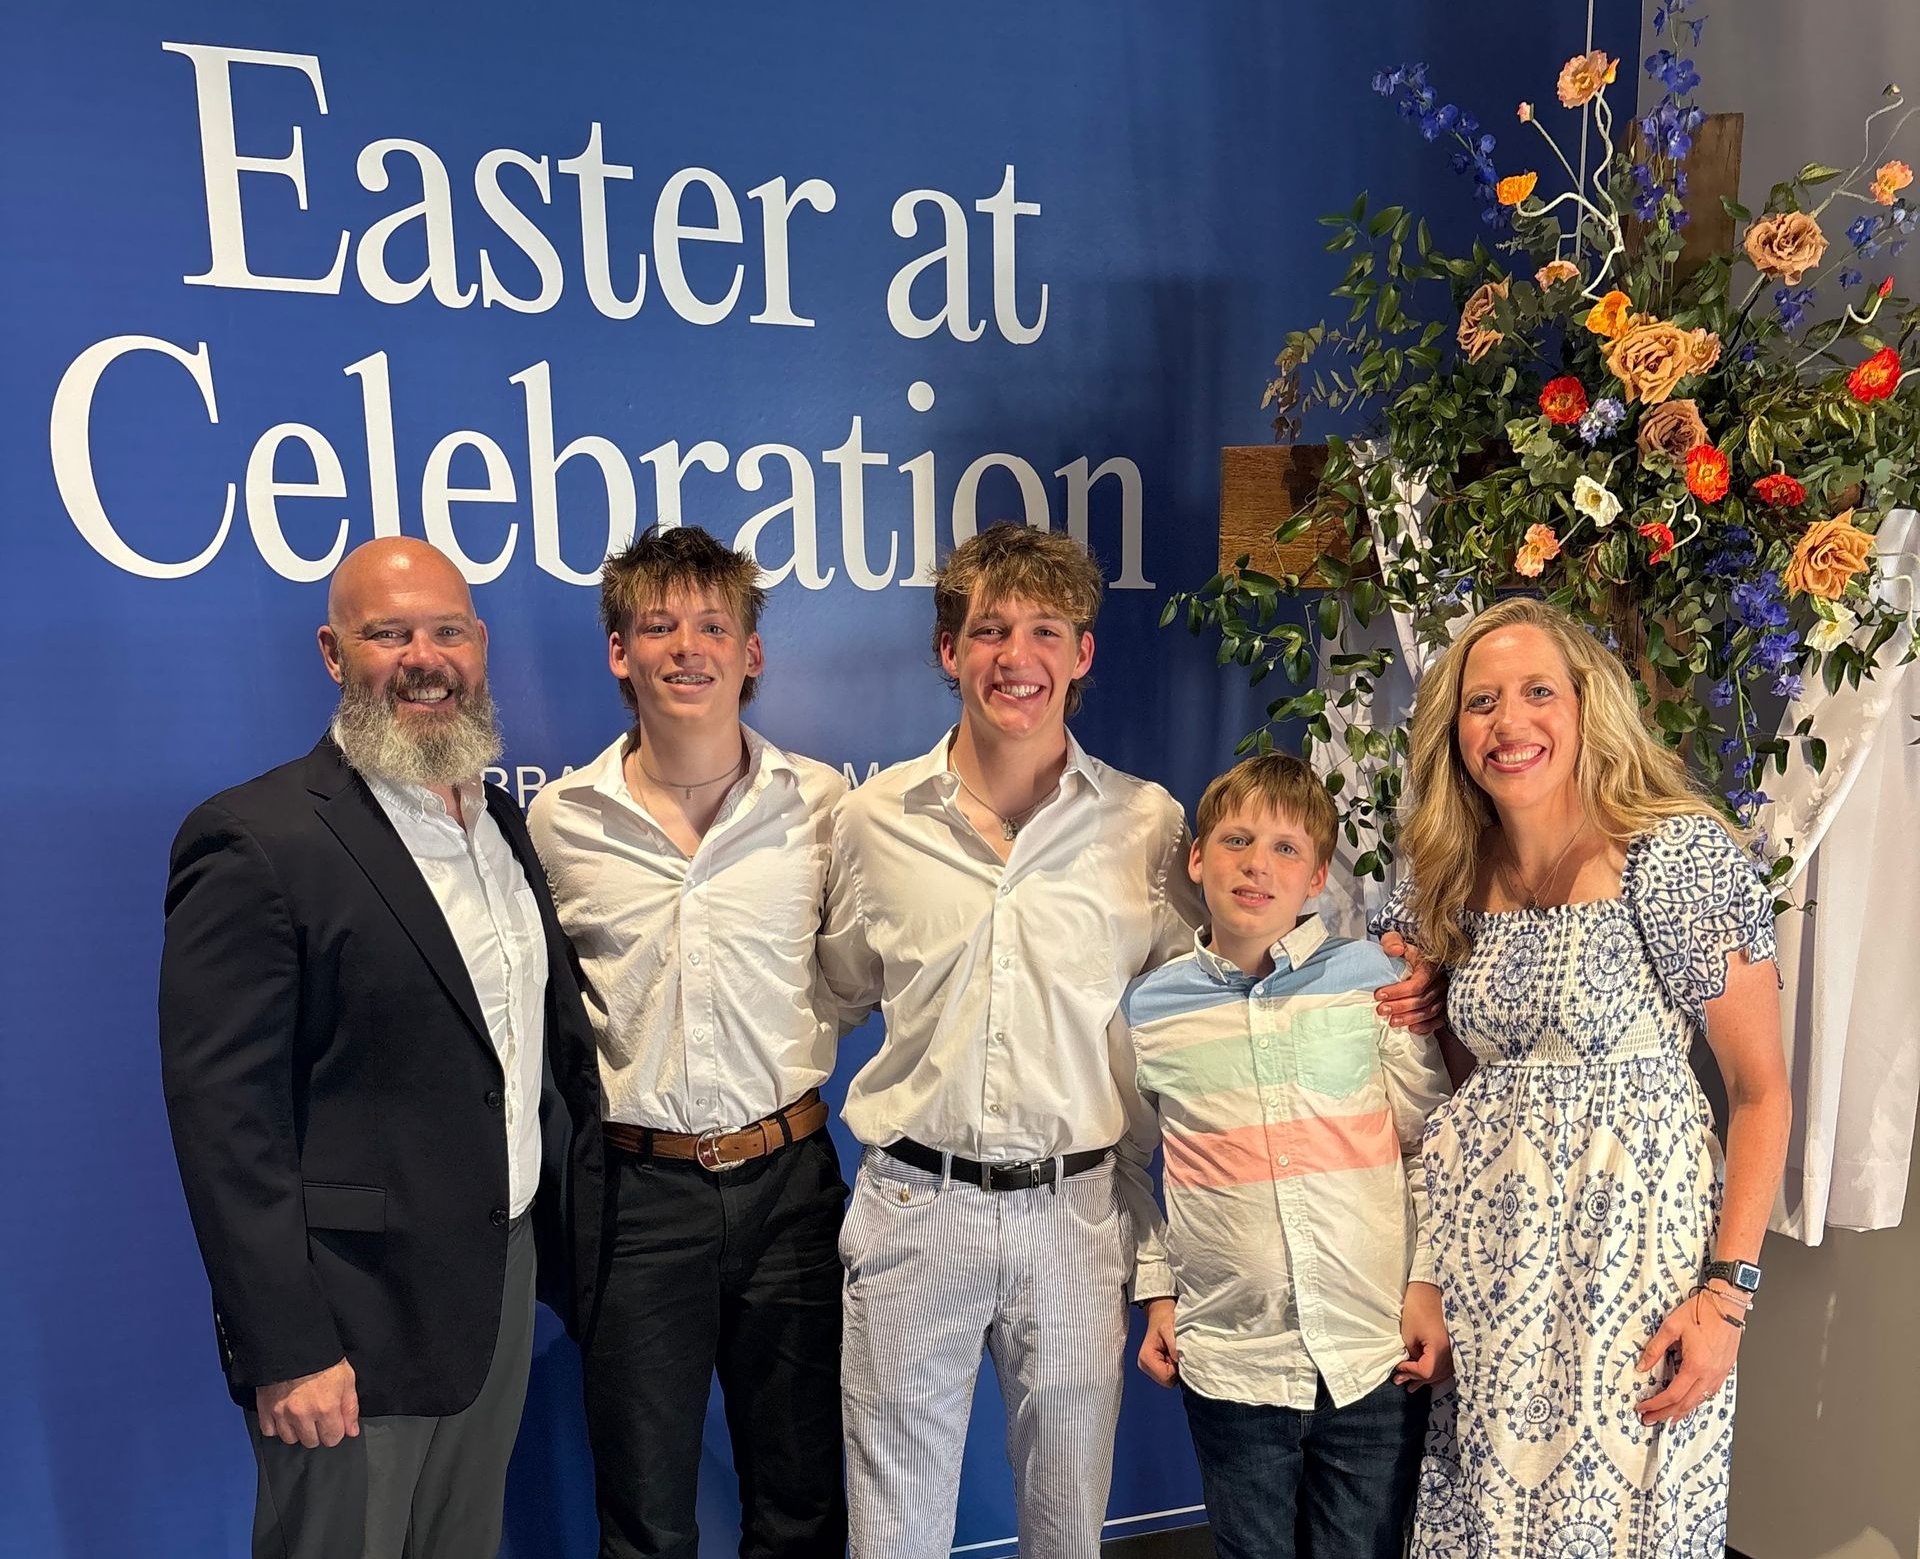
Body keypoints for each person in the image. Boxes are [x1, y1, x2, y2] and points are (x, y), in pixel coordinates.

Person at [818, 523, 1445, 1559]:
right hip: (913, 1208)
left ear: (1083, 655)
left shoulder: (1144, 824)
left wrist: (1375, 972)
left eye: (1045, 630)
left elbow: (1223, 976)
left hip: (1076, 1212)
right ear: (948, 650)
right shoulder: (873, 818)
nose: (1016, 657)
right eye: (989, 631)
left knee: (1069, 1520)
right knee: (893, 1524)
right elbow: (837, 984)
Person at [158, 537, 605, 1559]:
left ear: (480, 645)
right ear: (332, 651)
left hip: (491, 1288)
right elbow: (227, 1122)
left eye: (447, 630)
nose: (423, 656)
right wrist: (289, 1345)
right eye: (386, 632)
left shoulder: (498, 818)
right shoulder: (259, 839)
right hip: (348, 1329)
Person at [1371, 597, 1791, 1557]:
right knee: (1483, 1521)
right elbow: (1460, 1086)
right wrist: (1425, 1276)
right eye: (1481, 703)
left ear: (1586, 704)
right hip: (1490, 1258)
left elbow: (1763, 1090)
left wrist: (1725, 1299)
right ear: (1453, 730)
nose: (1508, 724)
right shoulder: (1440, 872)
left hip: (1632, 1267)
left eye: (1535, 693)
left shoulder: (1673, 852)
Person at [528, 525, 849, 1559]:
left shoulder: (822, 805)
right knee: (646, 1513)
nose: (687, 647)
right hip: (637, 1200)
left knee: (800, 1500)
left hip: (791, 1183)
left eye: (714, 623)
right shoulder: (559, 820)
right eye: (657, 624)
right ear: (619, 651)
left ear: (752, 651)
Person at [1124, 751, 1453, 1559]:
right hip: (1232, 1357)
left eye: (1285, 849)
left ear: (1315, 880)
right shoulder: (1150, 1010)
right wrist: (1158, 1293)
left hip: (1371, 1350)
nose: (1256, 865)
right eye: (1236, 841)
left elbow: (1432, 1147)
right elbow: (1131, 1164)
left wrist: (1426, 1282)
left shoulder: (1373, 981)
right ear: (1197, 857)